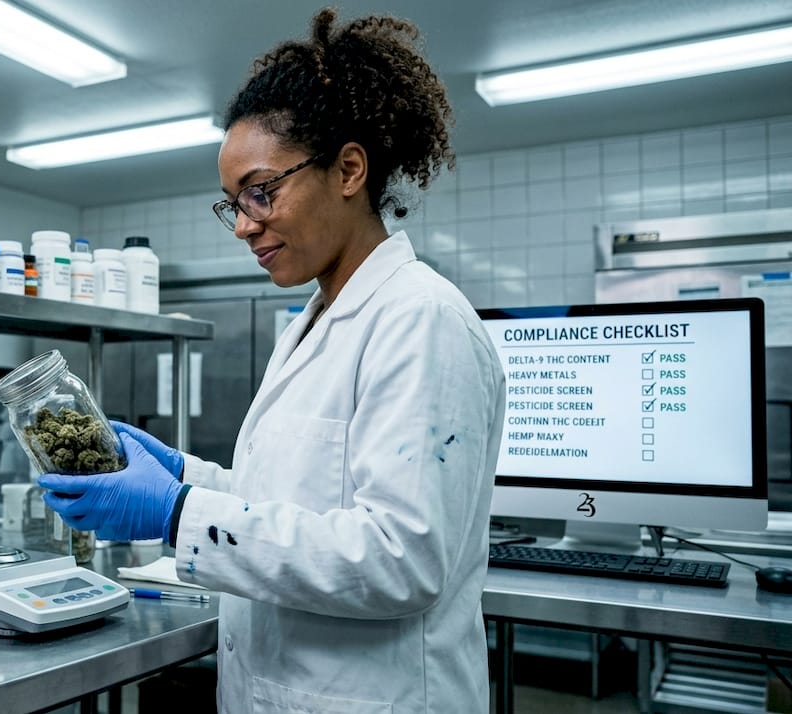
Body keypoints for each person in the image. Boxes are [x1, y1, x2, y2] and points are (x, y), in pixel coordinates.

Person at [40, 9, 506, 713]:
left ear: (349, 169)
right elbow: (295, 499)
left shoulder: (421, 320)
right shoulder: (313, 323)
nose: (247, 224)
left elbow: (400, 560)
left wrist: (175, 513)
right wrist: (185, 474)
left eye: (264, 191)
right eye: (234, 205)